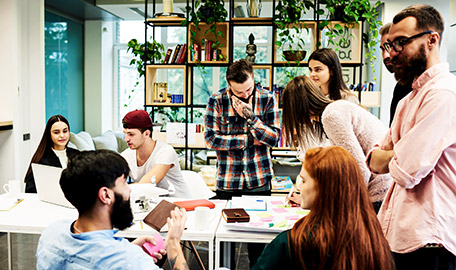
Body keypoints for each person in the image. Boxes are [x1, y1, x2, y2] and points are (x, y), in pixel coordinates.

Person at [368, 4, 456, 268]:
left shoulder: (443, 94)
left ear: (432, 40)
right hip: (403, 237)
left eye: (401, 43)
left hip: (431, 241)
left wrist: (396, 155)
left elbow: (406, 170)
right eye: (390, 45)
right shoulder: (408, 100)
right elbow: (373, 159)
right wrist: (400, 153)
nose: (393, 53)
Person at [37, 150, 189, 270]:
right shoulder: (131, 261)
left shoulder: (51, 234)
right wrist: (173, 244)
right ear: (105, 195)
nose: (129, 190)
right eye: (124, 182)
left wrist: (127, 249)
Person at [253, 146, 395, 270]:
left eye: (303, 180)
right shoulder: (373, 239)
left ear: (324, 189)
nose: (298, 187)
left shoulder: (292, 242)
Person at [204, 59, 280, 267]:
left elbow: (274, 138)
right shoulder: (217, 100)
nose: (245, 95)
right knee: (223, 242)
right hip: (228, 182)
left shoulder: (267, 98)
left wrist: (252, 118)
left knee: (257, 244)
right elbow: (211, 139)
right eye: (239, 92)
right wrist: (248, 140)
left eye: (248, 89)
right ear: (229, 85)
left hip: (259, 180)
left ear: (253, 78)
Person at [283, 76, 391, 212]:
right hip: (377, 189)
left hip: (377, 193)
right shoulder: (330, 113)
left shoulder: (331, 115)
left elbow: (358, 169)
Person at [120, 110, 190, 198]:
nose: (126, 139)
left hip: (179, 205)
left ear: (146, 133)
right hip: (152, 204)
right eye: (125, 134)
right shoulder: (126, 155)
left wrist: (119, 189)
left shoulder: (166, 151)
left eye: (131, 134)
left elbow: (146, 185)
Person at [24, 114, 79, 193]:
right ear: (49, 135)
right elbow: (30, 190)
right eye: (56, 132)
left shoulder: (77, 155)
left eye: (65, 131)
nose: (62, 135)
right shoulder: (41, 159)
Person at [379, 23, 413, 126]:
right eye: (383, 49)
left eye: (391, 47)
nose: (386, 56)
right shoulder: (401, 86)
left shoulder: (436, 90)